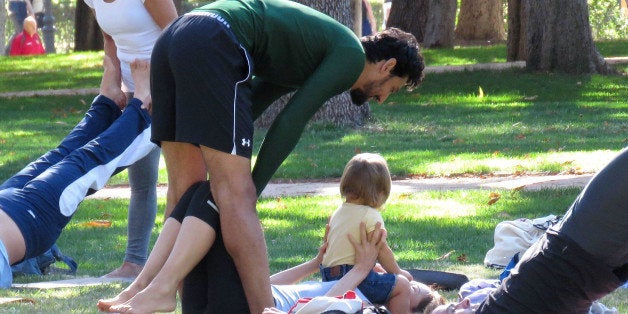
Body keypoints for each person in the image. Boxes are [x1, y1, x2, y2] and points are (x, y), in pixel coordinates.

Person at [149, 0, 425, 311]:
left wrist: (213, 137)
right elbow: (291, 121)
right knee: (236, 198)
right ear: (387, 66)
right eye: (393, 88)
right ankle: (261, 309)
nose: (383, 98)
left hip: (178, 35)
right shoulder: (350, 57)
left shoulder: (312, 49)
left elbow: (256, 100)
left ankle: (157, 294)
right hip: (215, 37)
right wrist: (251, 186)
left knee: (187, 190)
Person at [97, 181, 443, 313]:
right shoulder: (359, 287)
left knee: (213, 193)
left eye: (415, 290)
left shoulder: (362, 302)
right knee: (199, 192)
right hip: (231, 301)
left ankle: (153, 288)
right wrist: (313, 262)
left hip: (242, 308)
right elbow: (269, 285)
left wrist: (364, 269)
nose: (408, 280)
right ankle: (144, 286)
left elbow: (326, 299)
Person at [0, 58, 156, 288]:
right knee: (86, 160)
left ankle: (106, 101)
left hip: (7, 199)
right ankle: (143, 105)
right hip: (31, 217)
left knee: (62, 154)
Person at [428, 147, 628, 313]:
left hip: (586, 263)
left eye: (451, 305)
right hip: (579, 250)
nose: (460, 303)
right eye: (452, 312)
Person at [83, 0, 178, 279]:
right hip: (135, 93)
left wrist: (156, 86)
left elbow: (177, 33)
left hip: (167, 84)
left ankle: (181, 260)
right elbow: (110, 39)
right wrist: (113, 82)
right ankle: (135, 263)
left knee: (183, 179)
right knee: (142, 182)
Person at [320, 153, 413, 313]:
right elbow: (381, 249)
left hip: (329, 275)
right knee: (402, 285)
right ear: (381, 192)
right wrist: (397, 272)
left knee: (379, 275)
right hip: (351, 275)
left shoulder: (338, 212)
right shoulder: (370, 215)